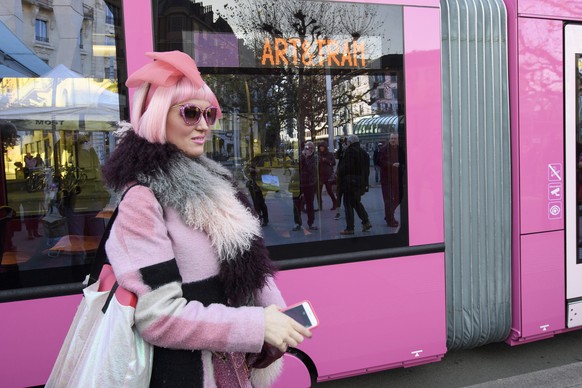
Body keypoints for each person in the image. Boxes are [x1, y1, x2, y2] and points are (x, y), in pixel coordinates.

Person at [101, 51, 311, 387]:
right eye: (190, 113)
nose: (203, 125)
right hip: (187, 375)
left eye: (209, 113)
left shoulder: (218, 182)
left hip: (233, 369)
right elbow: (158, 317)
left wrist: (277, 325)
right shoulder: (143, 200)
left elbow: (251, 268)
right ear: (157, 116)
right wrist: (256, 327)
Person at [337, 134, 372, 235]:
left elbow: (345, 167)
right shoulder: (364, 153)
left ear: (350, 142)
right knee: (356, 202)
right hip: (360, 183)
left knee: (348, 204)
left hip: (349, 183)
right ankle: (365, 221)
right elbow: (367, 171)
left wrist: (340, 172)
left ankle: (350, 227)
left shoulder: (349, 151)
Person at [378, 133, 405, 227]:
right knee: (388, 200)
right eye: (392, 138)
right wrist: (392, 165)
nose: (393, 140)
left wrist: (400, 165)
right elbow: (380, 162)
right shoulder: (384, 149)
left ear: (398, 140)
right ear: (389, 139)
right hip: (386, 179)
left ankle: (389, 216)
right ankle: (390, 221)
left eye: (395, 138)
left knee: (399, 197)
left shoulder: (399, 149)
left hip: (397, 178)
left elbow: (404, 161)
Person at [294, 141, 318, 230]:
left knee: (310, 204)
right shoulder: (301, 157)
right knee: (296, 204)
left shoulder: (314, 158)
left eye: (311, 148)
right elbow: (295, 166)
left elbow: (310, 169)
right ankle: (297, 223)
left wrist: (306, 158)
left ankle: (311, 223)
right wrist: (302, 157)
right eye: (307, 148)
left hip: (309, 184)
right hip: (299, 183)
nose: (309, 150)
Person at [316, 141, 337, 211]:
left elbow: (333, 163)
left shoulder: (330, 154)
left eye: (322, 147)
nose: (321, 148)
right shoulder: (318, 155)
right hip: (320, 175)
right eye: (320, 147)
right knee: (318, 191)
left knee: (329, 191)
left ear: (325, 147)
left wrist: (326, 160)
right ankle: (320, 206)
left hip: (328, 175)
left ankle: (335, 202)